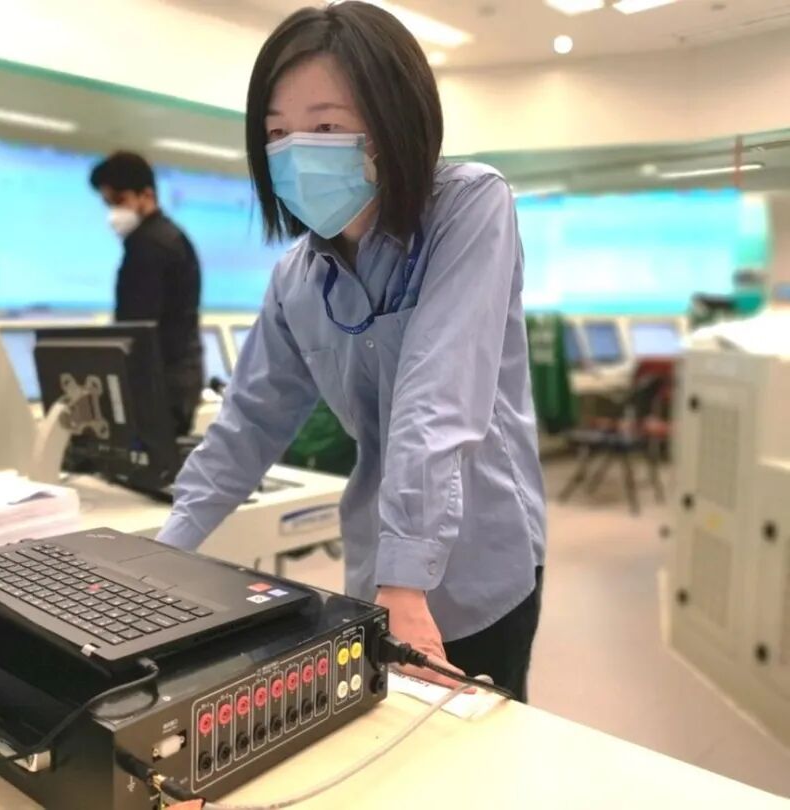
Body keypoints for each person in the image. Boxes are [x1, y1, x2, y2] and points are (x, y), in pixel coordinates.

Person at [157, 2, 547, 701]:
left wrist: (406, 583)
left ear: (392, 121)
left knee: (477, 744)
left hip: (480, 557)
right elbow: (248, 423)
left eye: (327, 126)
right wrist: (165, 548)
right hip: (375, 566)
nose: (296, 151)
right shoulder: (297, 277)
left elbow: (437, 399)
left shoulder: (469, 207)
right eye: (276, 134)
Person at [90, 151, 203, 436]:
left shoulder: (150, 245)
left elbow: (136, 326)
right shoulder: (170, 236)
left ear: (146, 195)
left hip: (160, 383)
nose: (113, 212)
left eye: (119, 200)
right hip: (178, 379)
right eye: (108, 203)